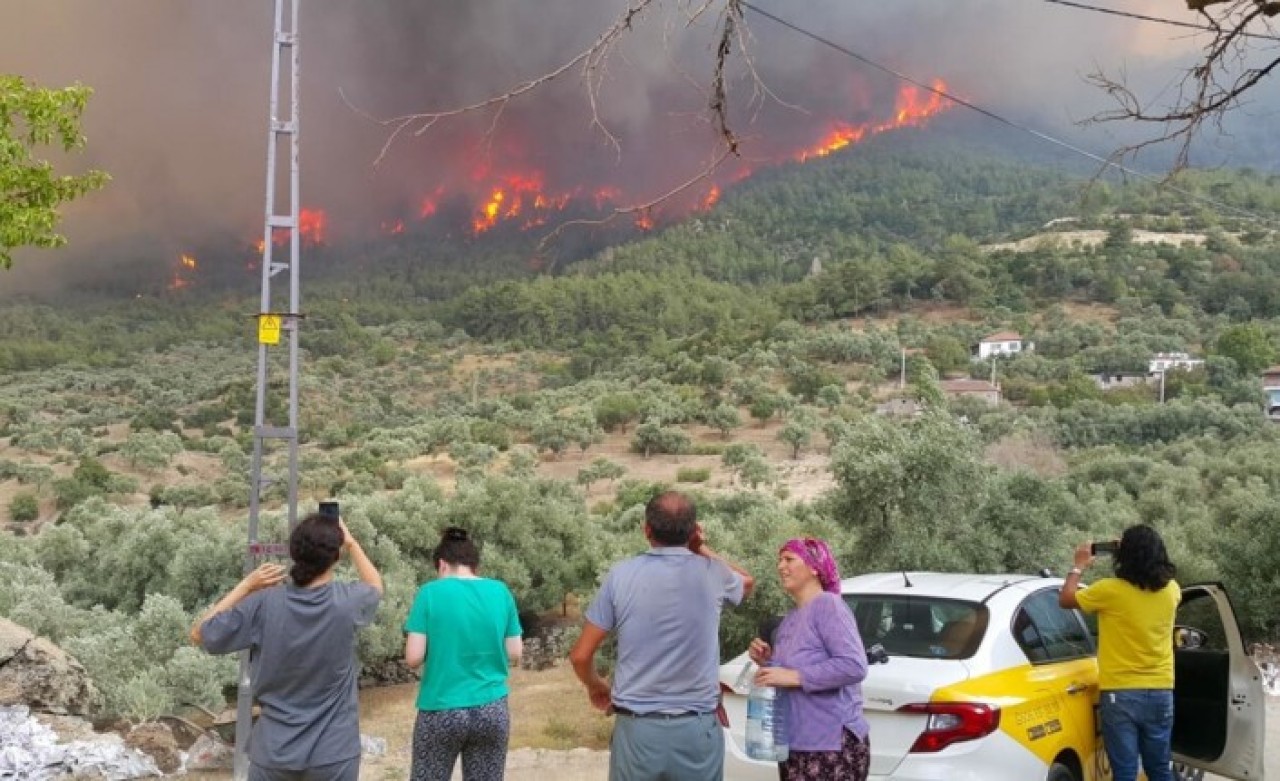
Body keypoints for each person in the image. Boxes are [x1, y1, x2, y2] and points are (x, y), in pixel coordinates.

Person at [569, 491, 755, 781]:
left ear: (646, 530)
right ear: (693, 531)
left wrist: (596, 685)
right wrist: (701, 549)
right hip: (697, 732)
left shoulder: (620, 575)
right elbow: (747, 583)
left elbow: (580, 655)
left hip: (637, 733)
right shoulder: (714, 573)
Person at [191, 513, 383, 781]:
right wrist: (351, 543)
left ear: (294, 554)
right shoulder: (346, 603)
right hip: (334, 752)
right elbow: (375, 585)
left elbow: (200, 633)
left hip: (273, 753)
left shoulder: (264, 604)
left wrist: (247, 585)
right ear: (335, 557)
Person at [1059, 524, 1180, 781]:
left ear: (1124, 556)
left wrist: (1079, 565)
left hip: (1121, 693)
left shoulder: (1109, 591)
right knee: (1159, 768)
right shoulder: (1173, 591)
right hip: (1161, 691)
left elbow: (1066, 598)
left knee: (1125, 771)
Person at [404, 527, 523, 781]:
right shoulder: (501, 591)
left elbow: (413, 657)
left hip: (441, 708)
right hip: (492, 708)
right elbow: (515, 652)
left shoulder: (429, 593)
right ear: (474, 565)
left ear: (442, 565)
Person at [747, 537, 870, 781]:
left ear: (815, 567)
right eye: (779, 560)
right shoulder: (790, 619)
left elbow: (854, 665)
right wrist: (767, 663)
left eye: (789, 559)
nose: (781, 566)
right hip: (794, 742)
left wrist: (795, 676)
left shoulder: (828, 605)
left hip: (830, 745)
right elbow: (789, 676)